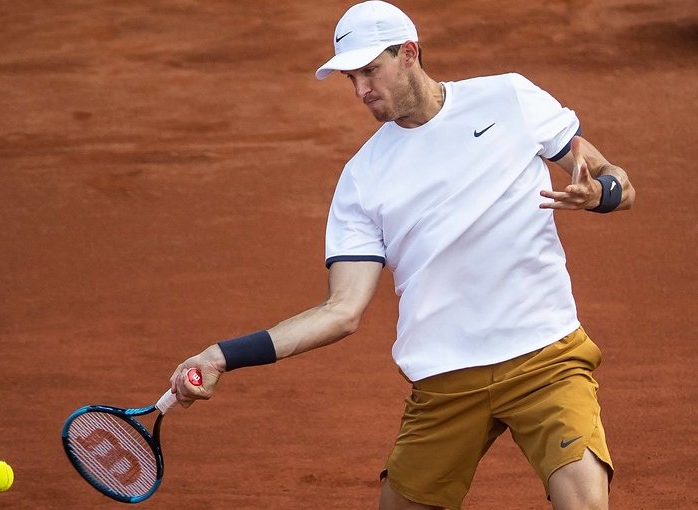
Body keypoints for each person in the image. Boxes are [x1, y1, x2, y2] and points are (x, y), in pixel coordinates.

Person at [168, 1, 635, 509]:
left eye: (371, 70)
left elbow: (616, 180)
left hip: (546, 358)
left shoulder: (509, 98)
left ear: (409, 53)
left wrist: (600, 195)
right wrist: (222, 355)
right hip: (445, 383)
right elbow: (340, 313)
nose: (362, 89)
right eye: (352, 78)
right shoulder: (362, 178)